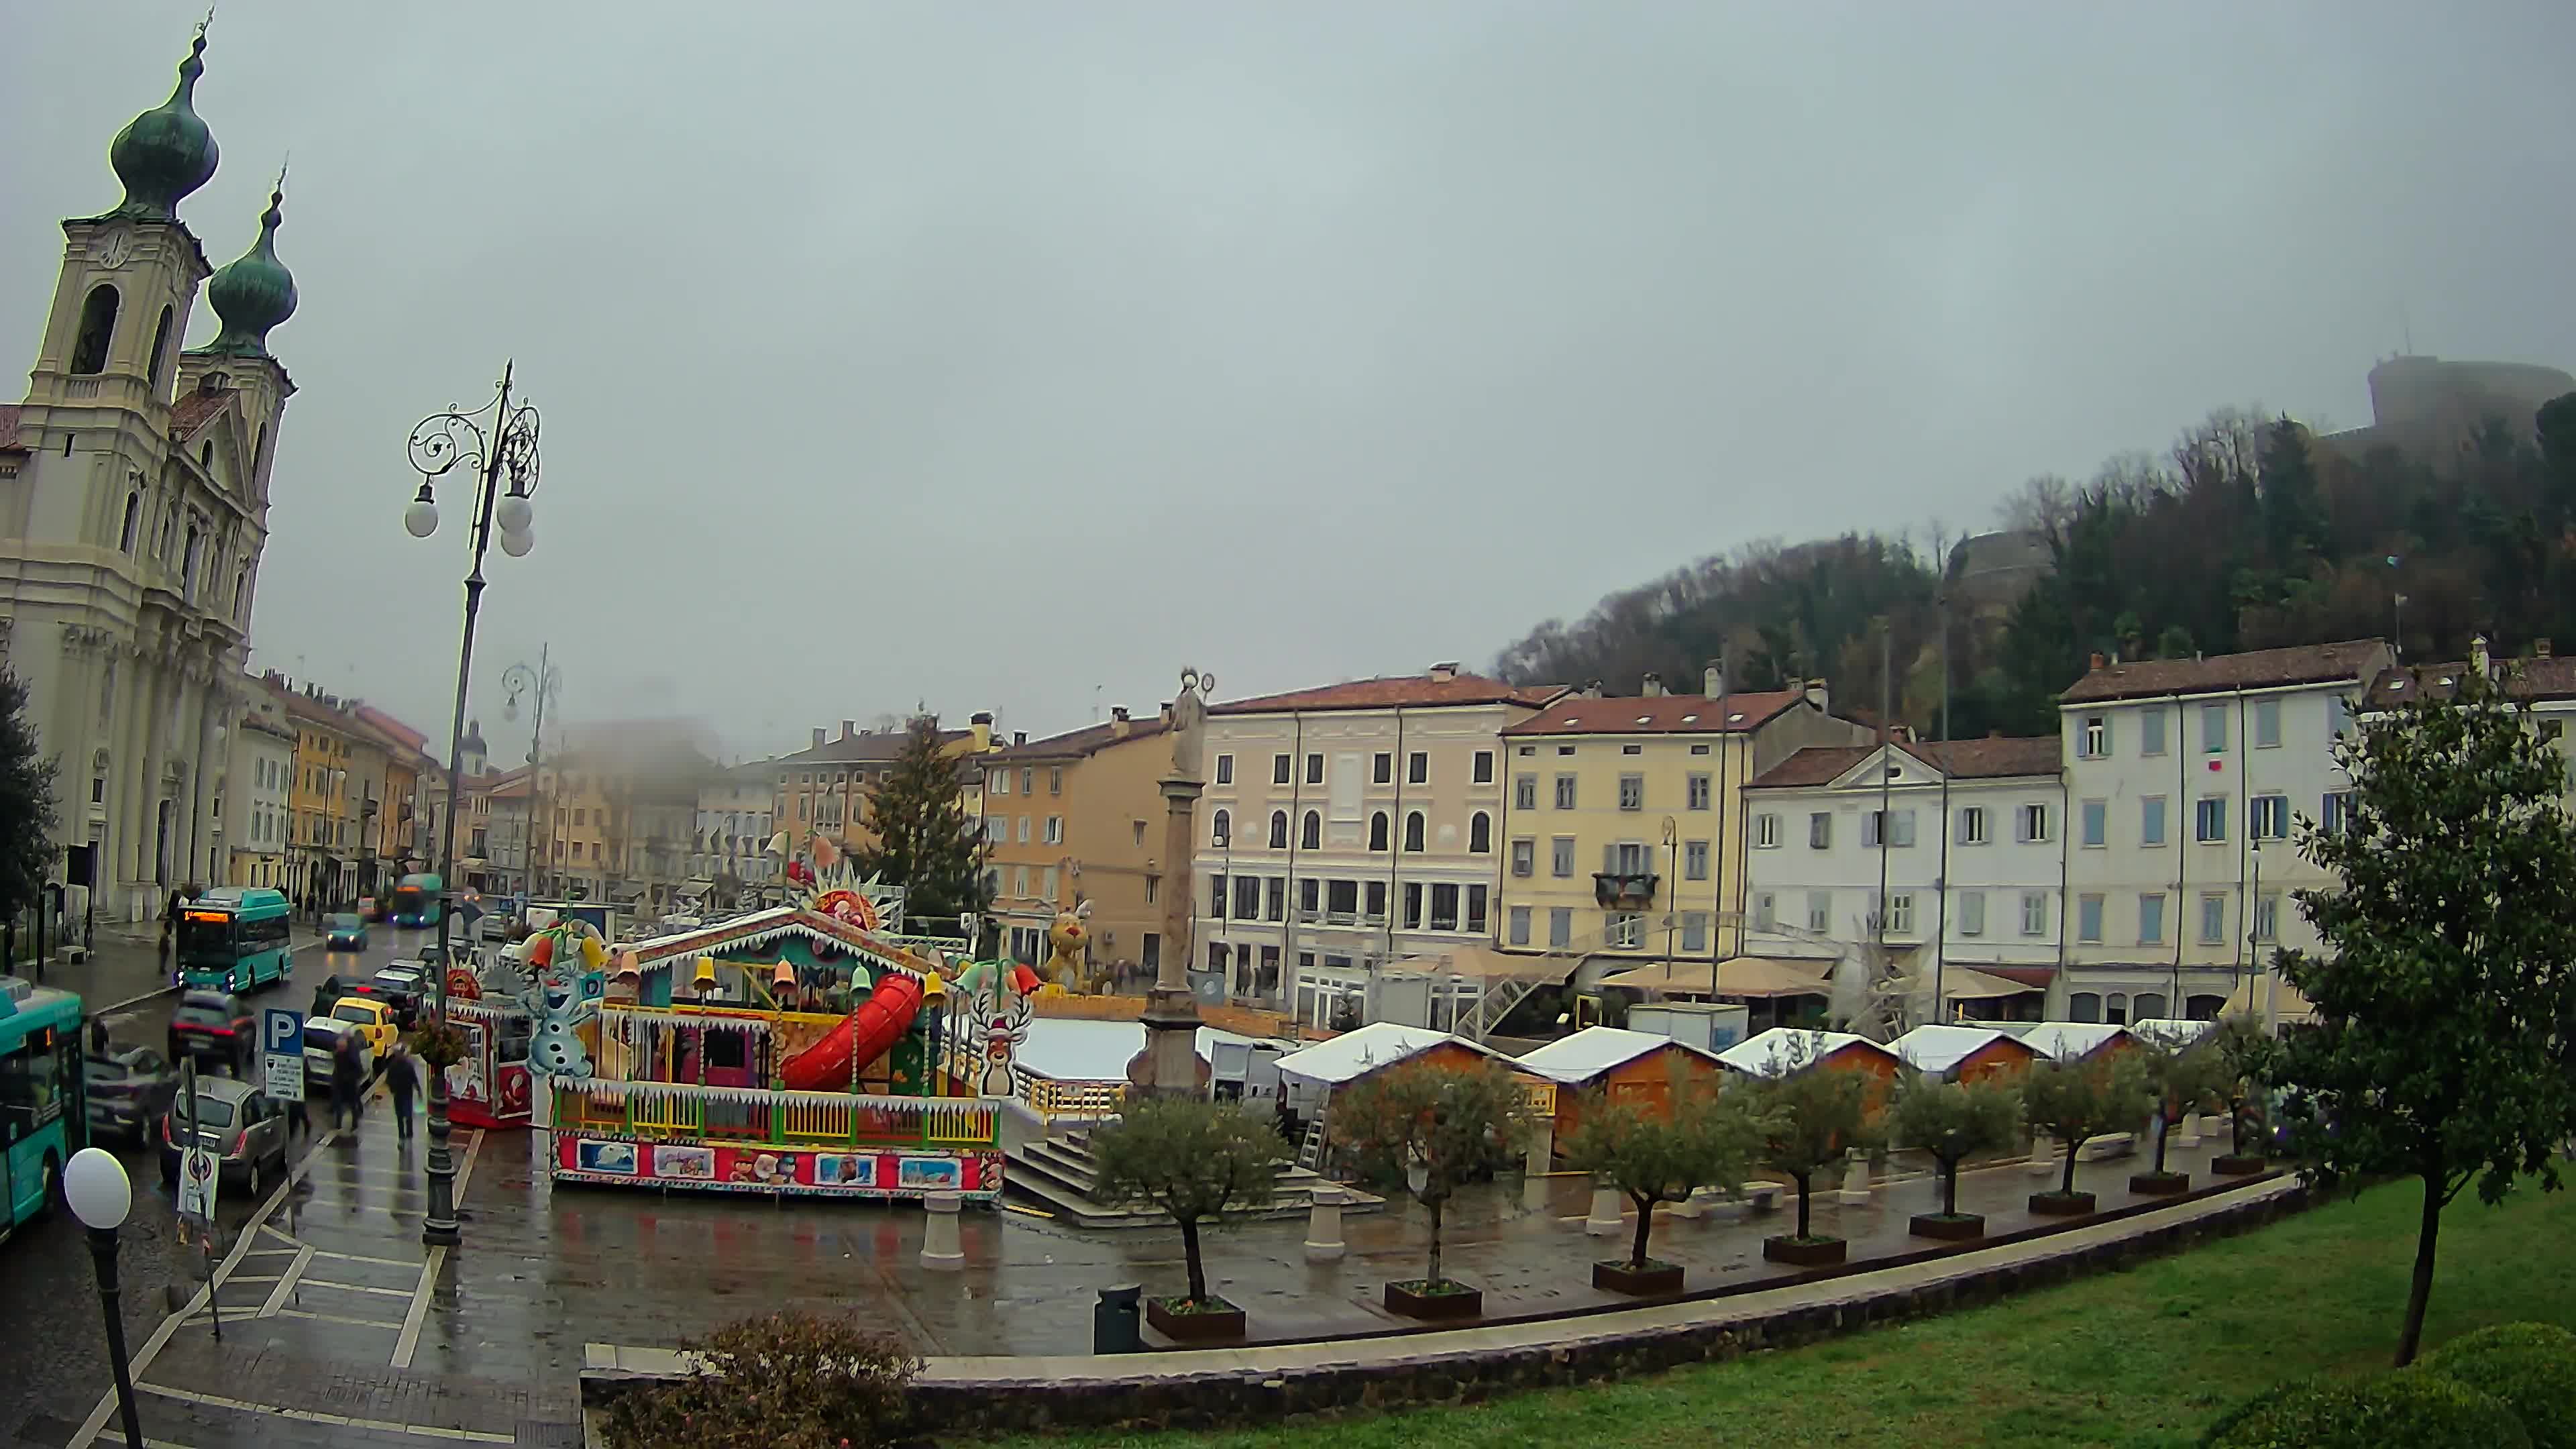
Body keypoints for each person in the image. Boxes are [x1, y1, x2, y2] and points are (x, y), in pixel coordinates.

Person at [384, 1043, 419, 1141]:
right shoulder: (394, 1065)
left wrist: (418, 1089)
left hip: (406, 1093)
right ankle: (402, 1134)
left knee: (407, 1114)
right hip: (400, 1093)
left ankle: (409, 1132)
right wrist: (392, 1088)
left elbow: (414, 1078)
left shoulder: (406, 1065)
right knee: (400, 1115)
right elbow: (389, 1079)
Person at [331, 1030, 362, 1132]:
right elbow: (337, 1069)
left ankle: (355, 1123)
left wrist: (350, 1077)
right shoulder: (337, 1055)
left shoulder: (351, 1055)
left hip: (350, 1084)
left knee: (352, 1104)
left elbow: (358, 1069)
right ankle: (338, 1124)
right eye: (338, 1047)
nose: (339, 1049)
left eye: (341, 1047)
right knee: (339, 1104)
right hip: (340, 1083)